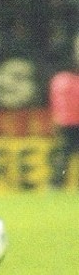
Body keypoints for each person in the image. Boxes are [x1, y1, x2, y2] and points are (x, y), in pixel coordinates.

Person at [48, 35, 79, 188]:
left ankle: (56, 184)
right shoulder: (73, 82)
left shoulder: (58, 80)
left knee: (62, 155)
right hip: (75, 122)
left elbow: (55, 105)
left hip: (64, 123)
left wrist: (56, 122)